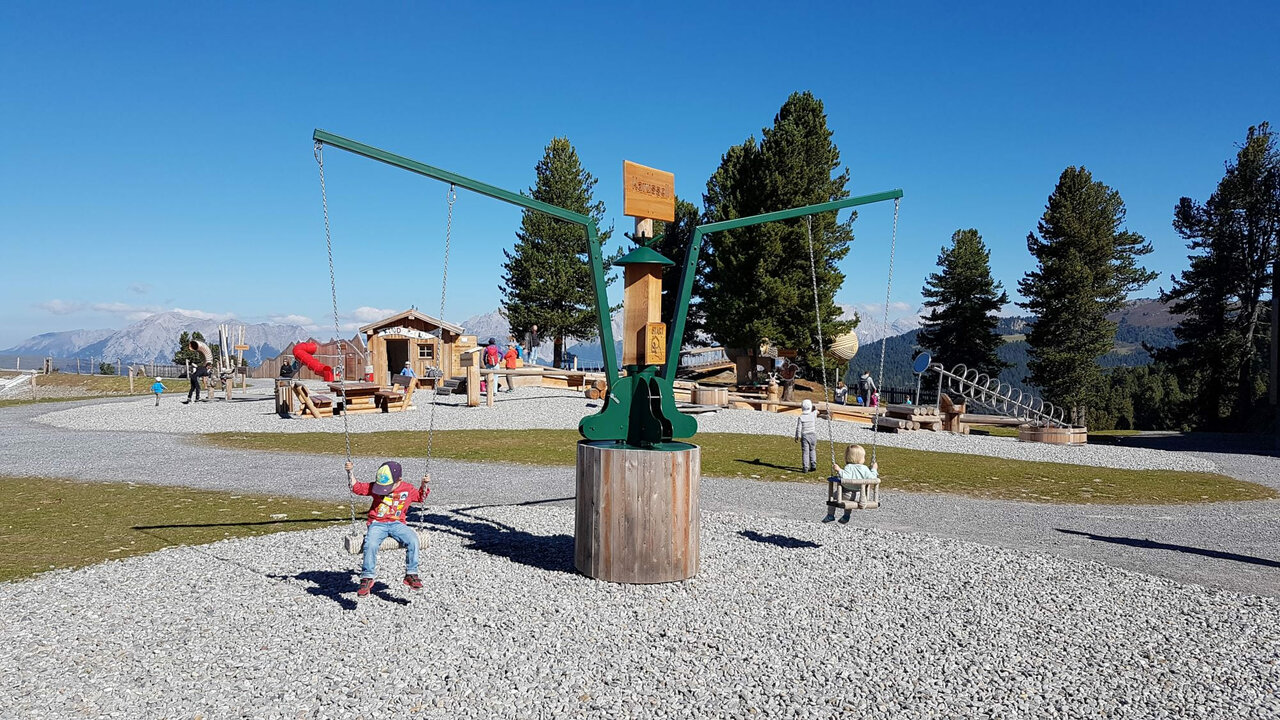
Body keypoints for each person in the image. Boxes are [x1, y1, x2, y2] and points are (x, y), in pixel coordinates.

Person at [346, 460, 430, 597]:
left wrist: (424, 485)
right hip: (377, 523)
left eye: (387, 486)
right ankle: (367, 577)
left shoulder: (407, 489)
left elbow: (421, 497)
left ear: (399, 480)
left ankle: (411, 573)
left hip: (397, 523)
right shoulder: (375, 487)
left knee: (413, 540)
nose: (383, 490)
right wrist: (350, 472)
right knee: (370, 543)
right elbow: (357, 488)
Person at [826, 444, 879, 524]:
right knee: (849, 502)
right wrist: (874, 469)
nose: (864, 459)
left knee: (832, 497)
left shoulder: (849, 467)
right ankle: (846, 516)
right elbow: (873, 478)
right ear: (860, 458)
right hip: (860, 496)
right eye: (863, 457)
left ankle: (830, 515)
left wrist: (839, 470)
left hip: (845, 495)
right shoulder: (865, 468)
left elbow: (845, 476)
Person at [794, 398, 819, 473]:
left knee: (805, 452)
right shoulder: (813, 414)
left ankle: (805, 467)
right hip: (813, 435)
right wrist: (815, 409)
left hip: (805, 436)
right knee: (812, 450)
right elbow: (817, 411)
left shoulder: (801, 417)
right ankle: (813, 464)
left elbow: (798, 428)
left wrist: (797, 436)